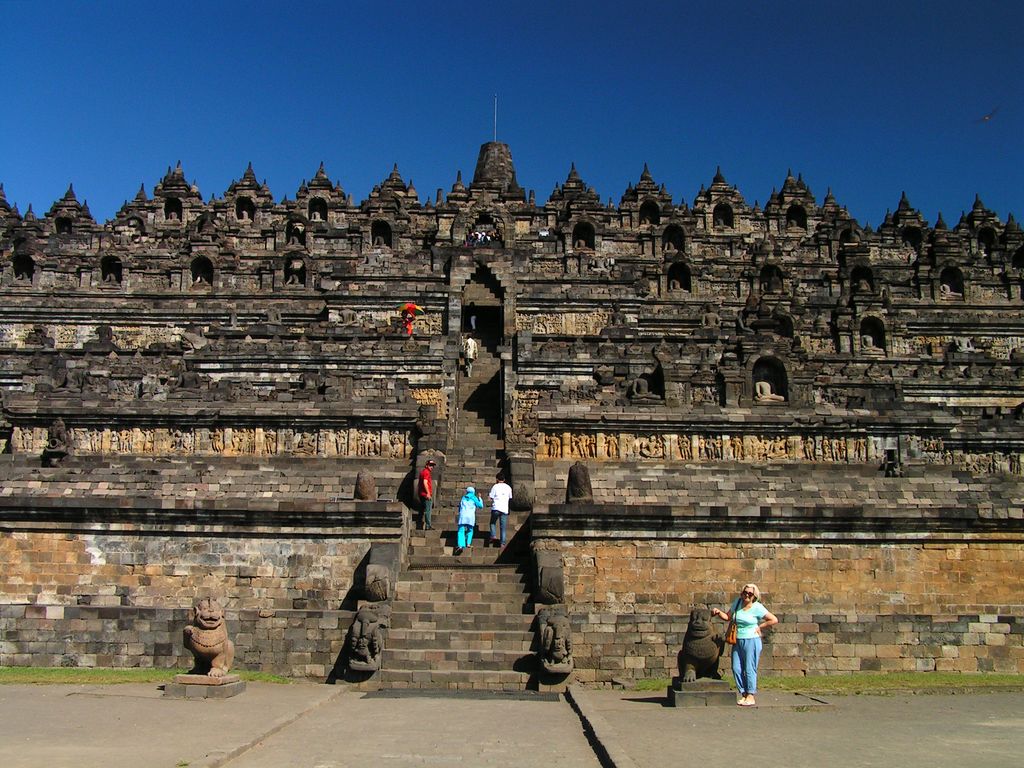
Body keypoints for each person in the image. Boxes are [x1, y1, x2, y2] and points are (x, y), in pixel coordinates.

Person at [711, 583, 778, 707]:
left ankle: (751, 695)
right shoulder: (737, 603)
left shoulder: (757, 607)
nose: (746, 595)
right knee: (736, 668)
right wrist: (718, 612)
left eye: (750, 594)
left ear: (754, 596)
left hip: (751, 639)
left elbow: (773, 619)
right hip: (738, 639)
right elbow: (728, 617)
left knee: (749, 668)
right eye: (744, 593)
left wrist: (760, 627)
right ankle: (743, 693)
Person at [488, 472, 513, 548]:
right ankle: (502, 543)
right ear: (504, 479)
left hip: (496, 507)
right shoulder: (508, 487)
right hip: (504, 509)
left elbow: (491, 496)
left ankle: (493, 535)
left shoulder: (495, 486)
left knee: (492, 523)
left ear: (497, 479)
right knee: (503, 527)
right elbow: (510, 497)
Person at [455, 486, 483, 555]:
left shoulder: (463, 498)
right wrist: (480, 498)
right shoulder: (474, 498)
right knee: (470, 530)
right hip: (470, 517)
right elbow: (480, 506)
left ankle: (461, 545)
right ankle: (468, 543)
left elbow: (460, 507)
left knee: (461, 531)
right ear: (473, 492)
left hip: (463, 516)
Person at [418, 459, 436, 530]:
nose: (432, 467)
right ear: (426, 465)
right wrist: (428, 493)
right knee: (428, 510)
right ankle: (428, 525)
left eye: (433, 466)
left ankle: (423, 524)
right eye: (430, 465)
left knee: (424, 509)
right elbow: (425, 482)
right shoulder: (426, 472)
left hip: (422, 494)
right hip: (426, 494)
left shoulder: (423, 472)